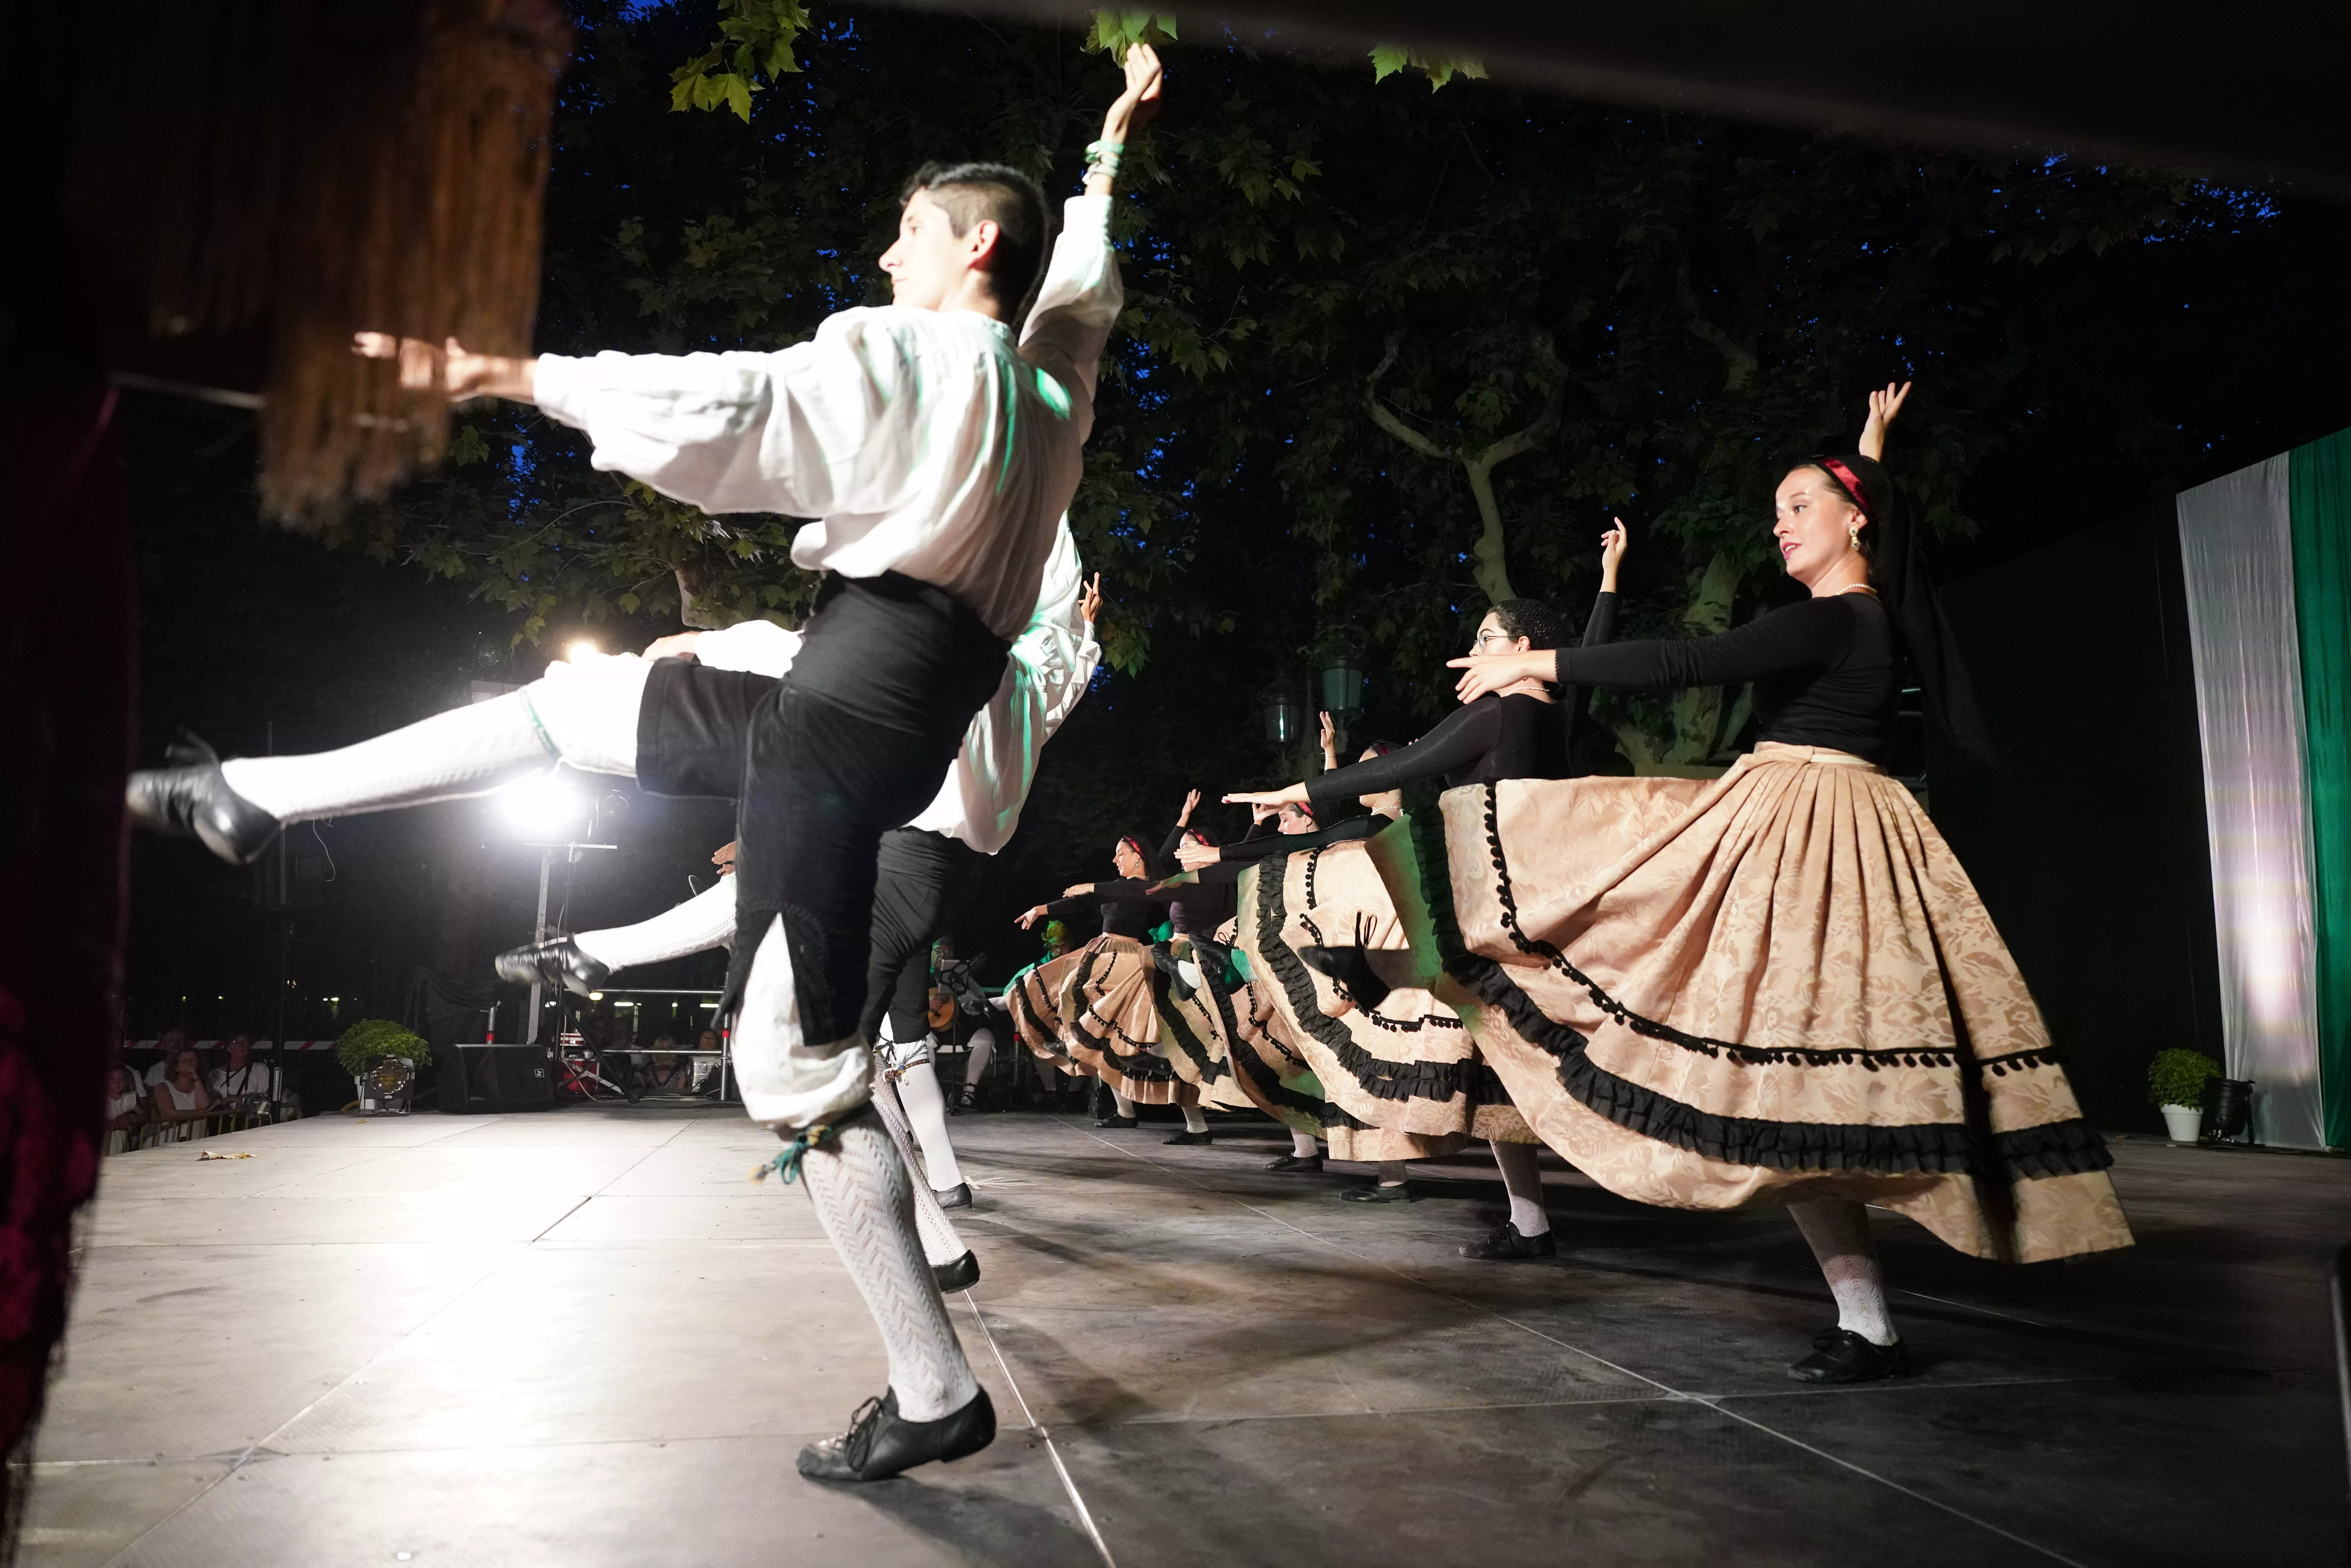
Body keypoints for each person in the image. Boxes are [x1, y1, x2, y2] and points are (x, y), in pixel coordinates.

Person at [159, 49, 1152, 1482]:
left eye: (909, 233)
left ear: (976, 247)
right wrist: (1109, 148)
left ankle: (934, 1382)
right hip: (858, 724)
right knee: (584, 708)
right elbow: (1085, 294)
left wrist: (510, 374)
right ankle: (262, 792)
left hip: (827, 734)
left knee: (794, 1070)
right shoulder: (1054, 400)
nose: (888, 256)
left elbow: (741, 402)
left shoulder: (921, 359)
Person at [1442, 383, 2131, 1382]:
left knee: (1796, 1080)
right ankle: (1868, 1324)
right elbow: (1849, 525)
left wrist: (1537, 663)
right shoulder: (1856, 614)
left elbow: (1691, 660)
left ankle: (1872, 1323)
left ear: (1856, 522)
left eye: (1799, 505)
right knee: (1794, 1093)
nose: (1780, 523)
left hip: (1820, 837)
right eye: (1777, 510)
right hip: (1813, 824)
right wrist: (1870, 447)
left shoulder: (1844, 617)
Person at [1221, 530, 1627, 1216]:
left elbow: (1402, 766)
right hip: (1532, 908)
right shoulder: (1555, 718)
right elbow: (1587, 665)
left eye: (1486, 638)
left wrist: (1299, 789)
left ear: (1525, 649)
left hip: (1486, 911)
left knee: (1330, 940)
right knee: (1496, 1066)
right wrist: (1610, 579)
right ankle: (1529, 1224)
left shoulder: (1499, 711)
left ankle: (1361, 1003)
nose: (1474, 649)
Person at [150, 1047, 216, 1135]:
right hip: (171, 1138)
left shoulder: (202, 1086)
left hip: (197, 1137)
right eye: (185, 1061)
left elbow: (204, 1106)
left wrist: (196, 1078)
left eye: (193, 1060)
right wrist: (198, 1114)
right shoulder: (163, 1088)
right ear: (177, 1067)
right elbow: (170, 1114)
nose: (190, 1063)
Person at [209, 1033, 278, 1108]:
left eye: (245, 1042)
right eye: (235, 1043)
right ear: (228, 1048)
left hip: (252, 1115)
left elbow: (268, 1101)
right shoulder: (215, 1075)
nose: (241, 1045)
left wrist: (241, 1100)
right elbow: (209, 1104)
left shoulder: (260, 1069)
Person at [103, 1065, 148, 1146]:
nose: (117, 1083)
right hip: (105, 1142)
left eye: (121, 1079)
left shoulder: (129, 1098)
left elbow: (144, 1116)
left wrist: (132, 1119)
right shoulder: (103, 1100)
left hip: (123, 1141)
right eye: (112, 1080)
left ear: (127, 1082)